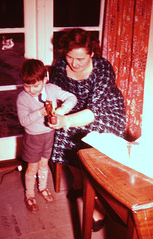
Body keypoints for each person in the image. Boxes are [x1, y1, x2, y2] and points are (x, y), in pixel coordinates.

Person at [49, 28, 126, 231]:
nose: (74, 63)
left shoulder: (103, 68)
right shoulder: (58, 66)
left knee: (89, 139)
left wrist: (65, 120)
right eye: (69, 57)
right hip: (74, 108)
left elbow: (94, 111)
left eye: (81, 59)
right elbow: (55, 93)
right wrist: (56, 111)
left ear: (92, 53)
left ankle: (96, 204)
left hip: (105, 110)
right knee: (64, 137)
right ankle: (78, 183)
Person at [17, 59, 77, 212]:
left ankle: (42, 188)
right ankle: (29, 194)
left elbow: (72, 98)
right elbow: (24, 121)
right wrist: (40, 113)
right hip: (33, 138)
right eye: (26, 86)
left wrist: (62, 110)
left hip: (49, 135)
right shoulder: (22, 98)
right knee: (32, 168)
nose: (31, 90)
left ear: (45, 78)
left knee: (44, 165)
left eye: (35, 85)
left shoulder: (52, 89)